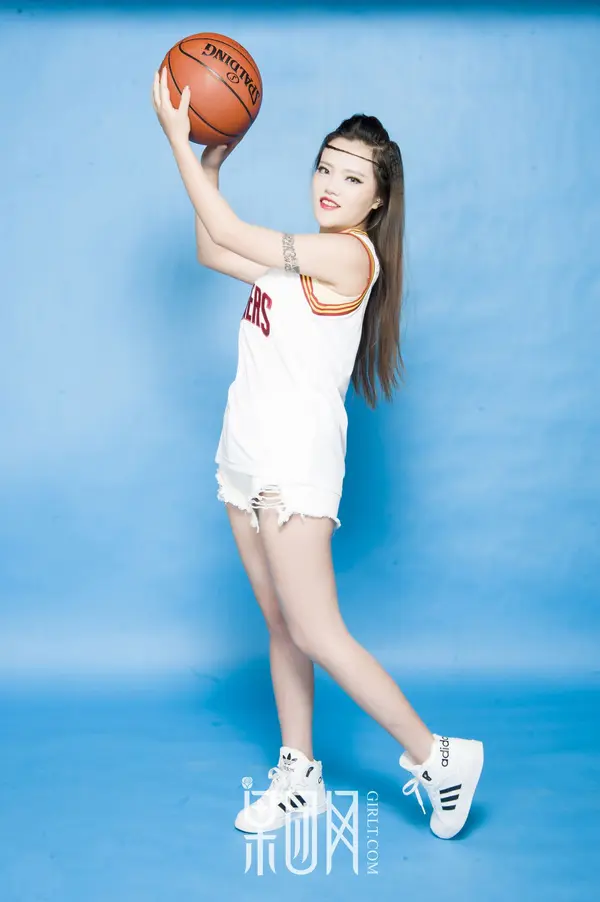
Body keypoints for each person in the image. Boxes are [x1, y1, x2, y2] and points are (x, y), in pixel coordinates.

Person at [152, 67, 484, 840]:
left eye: (353, 176)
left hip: (292, 467)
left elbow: (231, 232)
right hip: (245, 453)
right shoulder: (304, 256)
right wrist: (211, 161)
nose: (331, 184)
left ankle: (439, 757)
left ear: (378, 200)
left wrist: (177, 138)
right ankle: (300, 775)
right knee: (279, 622)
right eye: (325, 166)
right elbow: (212, 247)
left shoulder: (350, 258)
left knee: (317, 630)